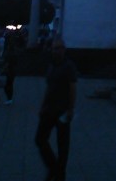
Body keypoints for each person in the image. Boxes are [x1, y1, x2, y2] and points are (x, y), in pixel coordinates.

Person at [35, 36, 77, 181]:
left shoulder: (69, 66)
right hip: (48, 109)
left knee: (62, 147)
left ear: (64, 50)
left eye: (59, 48)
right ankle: (53, 168)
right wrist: (42, 106)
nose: (56, 51)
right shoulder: (51, 65)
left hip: (62, 111)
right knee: (40, 139)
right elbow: (49, 87)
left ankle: (60, 175)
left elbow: (73, 89)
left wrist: (71, 109)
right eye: (54, 48)